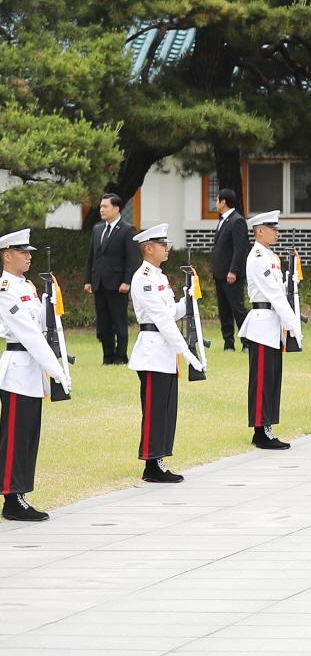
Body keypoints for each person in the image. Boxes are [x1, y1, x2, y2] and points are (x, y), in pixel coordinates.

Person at [0, 229, 72, 521]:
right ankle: (11, 497)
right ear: (7, 255)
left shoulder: (26, 286)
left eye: (29, 251)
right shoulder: (6, 288)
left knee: (29, 436)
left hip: (31, 372)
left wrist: (48, 302)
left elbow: (43, 325)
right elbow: (29, 335)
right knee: (15, 437)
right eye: (22, 252)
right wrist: (56, 370)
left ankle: (21, 494)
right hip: (18, 369)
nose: (29, 256)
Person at [129, 223, 197, 483]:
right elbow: (161, 320)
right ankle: (151, 462)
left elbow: (171, 313)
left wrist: (186, 300)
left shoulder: (159, 276)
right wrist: (187, 353)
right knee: (155, 409)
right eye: (161, 244)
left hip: (165, 350)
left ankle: (160, 459)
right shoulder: (143, 277)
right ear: (148, 248)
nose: (166, 248)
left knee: (167, 409)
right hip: (152, 350)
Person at [240, 210, 302, 450]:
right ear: (260, 231)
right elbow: (274, 295)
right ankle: (260, 430)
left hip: (272, 324)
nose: (277, 232)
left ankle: (267, 426)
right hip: (263, 323)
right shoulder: (257, 256)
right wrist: (293, 324)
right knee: (263, 379)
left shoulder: (270, 256)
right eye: (272, 229)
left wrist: (292, 278)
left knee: (273, 379)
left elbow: (282, 289)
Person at [85, 193, 136, 365]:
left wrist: (127, 281)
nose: (101, 209)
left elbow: (132, 259)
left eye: (105, 206)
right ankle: (107, 356)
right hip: (99, 283)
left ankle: (120, 356)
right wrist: (88, 280)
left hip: (117, 284)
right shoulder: (98, 229)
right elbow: (92, 256)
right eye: (100, 206)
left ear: (116, 208)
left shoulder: (127, 230)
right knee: (103, 322)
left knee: (119, 321)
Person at [209, 187, 247, 351]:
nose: (215, 203)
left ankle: (247, 342)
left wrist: (233, 270)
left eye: (217, 200)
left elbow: (240, 248)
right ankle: (228, 343)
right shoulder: (223, 220)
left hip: (231, 274)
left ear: (223, 202)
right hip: (220, 273)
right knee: (224, 310)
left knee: (237, 308)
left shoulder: (237, 220)